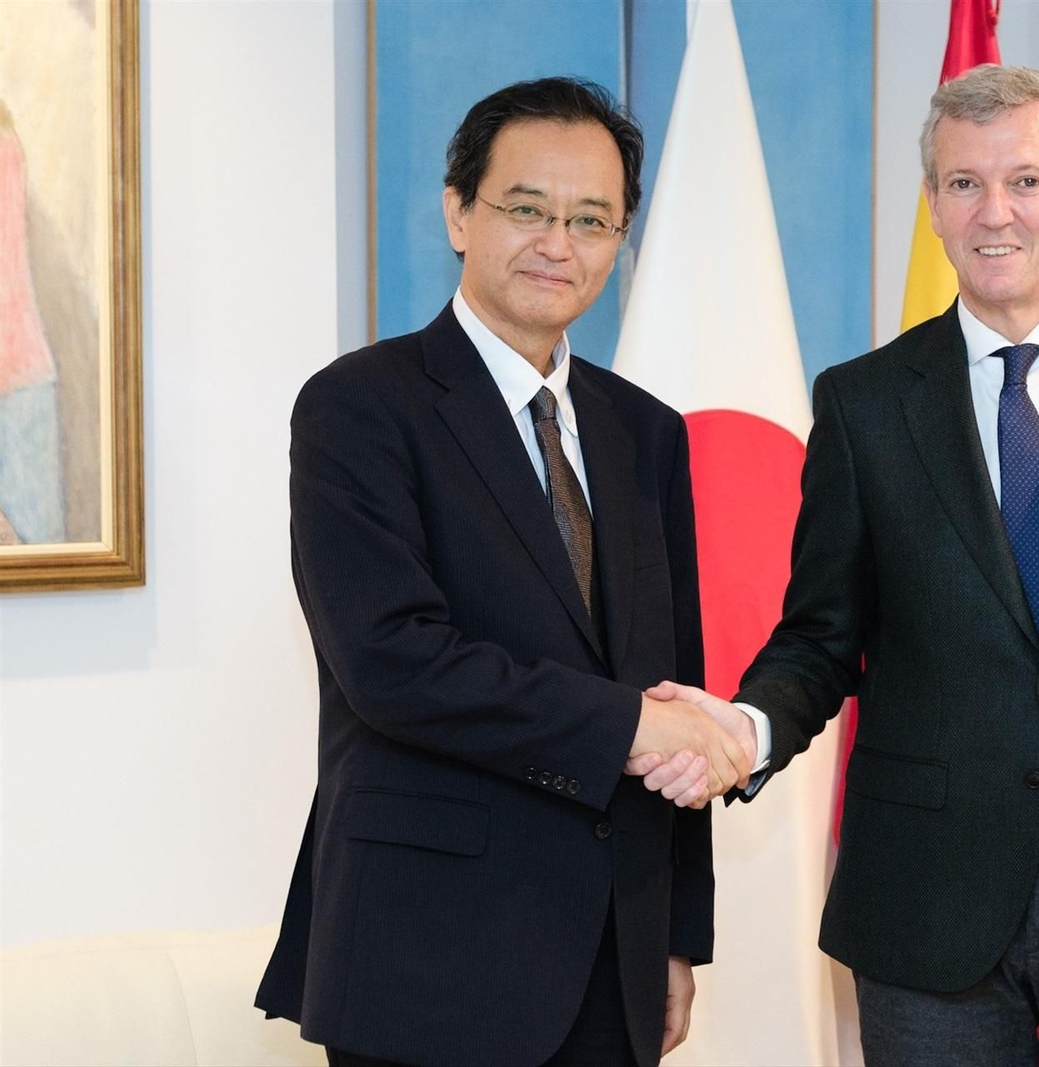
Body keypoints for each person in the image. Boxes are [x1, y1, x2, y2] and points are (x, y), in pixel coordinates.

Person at [641, 64, 1039, 1065]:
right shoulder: (861, 404)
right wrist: (746, 721)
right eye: (962, 184)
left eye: (1025, 181)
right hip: (923, 901)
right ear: (934, 205)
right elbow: (822, 637)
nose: (995, 213)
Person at [254, 77, 751, 1067]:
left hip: (615, 956)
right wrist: (635, 727)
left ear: (619, 240)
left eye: (591, 219)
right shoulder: (360, 407)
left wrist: (677, 934)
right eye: (525, 208)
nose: (556, 243)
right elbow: (394, 663)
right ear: (457, 211)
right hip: (428, 957)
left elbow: (672, 679)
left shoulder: (644, 433)